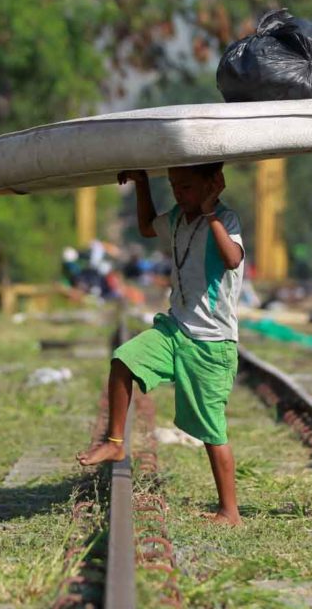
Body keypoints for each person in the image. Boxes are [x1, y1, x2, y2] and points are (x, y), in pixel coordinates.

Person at [77, 162, 246, 526]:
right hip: (175, 329)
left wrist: (210, 212)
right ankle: (115, 442)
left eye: (186, 186)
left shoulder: (225, 219)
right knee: (123, 360)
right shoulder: (177, 218)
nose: (178, 193)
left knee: (213, 430)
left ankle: (230, 511)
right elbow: (146, 227)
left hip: (211, 343)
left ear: (212, 184)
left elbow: (233, 259)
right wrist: (142, 184)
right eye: (173, 186)